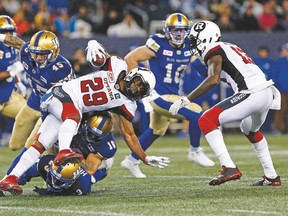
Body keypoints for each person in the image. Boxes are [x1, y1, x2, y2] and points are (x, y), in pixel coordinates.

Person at [0, 39, 170, 195]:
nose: (137, 88)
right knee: (74, 115)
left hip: (62, 107)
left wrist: (144, 157)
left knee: (40, 144)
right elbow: (99, 58)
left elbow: (129, 135)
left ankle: (11, 178)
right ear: (133, 75)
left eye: (142, 89)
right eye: (138, 83)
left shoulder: (128, 105)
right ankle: (64, 151)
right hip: (62, 93)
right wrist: (94, 47)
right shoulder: (118, 66)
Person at [169, 20, 281, 186]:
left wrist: (187, 99)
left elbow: (213, 79)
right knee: (249, 130)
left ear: (205, 38)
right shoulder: (226, 48)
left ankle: (229, 167)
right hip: (266, 93)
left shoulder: (212, 49)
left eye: (194, 40)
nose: (192, 44)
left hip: (251, 92)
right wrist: (193, 61)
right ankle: (271, 176)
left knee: (206, 119)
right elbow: (210, 71)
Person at [121, 13, 215, 179]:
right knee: (198, 115)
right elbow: (130, 58)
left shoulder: (189, 46)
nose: (179, 34)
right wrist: (137, 87)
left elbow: (200, 68)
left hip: (172, 95)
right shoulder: (158, 44)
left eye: (182, 31)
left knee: (156, 130)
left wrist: (212, 68)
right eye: (175, 30)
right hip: (156, 96)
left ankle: (131, 160)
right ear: (167, 30)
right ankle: (195, 151)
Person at [0, 30, 75, 177]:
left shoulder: (60, 69)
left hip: (50, 108)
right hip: (33, 101)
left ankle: (11, 177)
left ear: (53, 52)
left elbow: (68, 98)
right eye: (36, 53)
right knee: (14, 144)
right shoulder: (28, 54)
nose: (39, 57)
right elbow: (16, 41)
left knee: (31, 146)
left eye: (43, 54)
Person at [15, 111, 116, 196]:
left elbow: (89, 169)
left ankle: (66, 186)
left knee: (83, 182)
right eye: (90, 133)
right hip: (63, 147)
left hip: (86, 162)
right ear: (85, 122)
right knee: (44, 162)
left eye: (96, 137)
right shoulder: (77, 118)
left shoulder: (106, 144)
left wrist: (72, 156)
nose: (92, 138)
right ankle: (16, 178)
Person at [0, 15, 26, 126]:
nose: (9, 35)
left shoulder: (12, 47)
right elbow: (11, 70)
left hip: (6, 94)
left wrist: (18, 82)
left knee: (31, 114)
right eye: (5, 32)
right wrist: (11, 72)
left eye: (11, 32)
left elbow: (10, 67)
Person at [270, 43, 288, 135]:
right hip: (282, 90)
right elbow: (274, 75)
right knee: (280, 111)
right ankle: (277, 129)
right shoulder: (279, 61)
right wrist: (277, 87)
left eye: (285, 50)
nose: (283, 52)